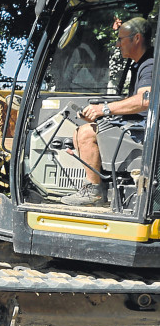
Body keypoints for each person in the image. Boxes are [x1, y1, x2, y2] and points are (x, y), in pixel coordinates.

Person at [62, 17, 154, 206]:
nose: (117, 44)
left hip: (145, 131)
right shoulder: (140, 63)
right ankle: (98, 186)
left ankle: (94, 191)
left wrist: (104, 109)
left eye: (121, 39)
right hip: (139, 126)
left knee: (86, 133)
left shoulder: (150, 65)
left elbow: (146, 99)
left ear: (136, 38)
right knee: (82, 129)